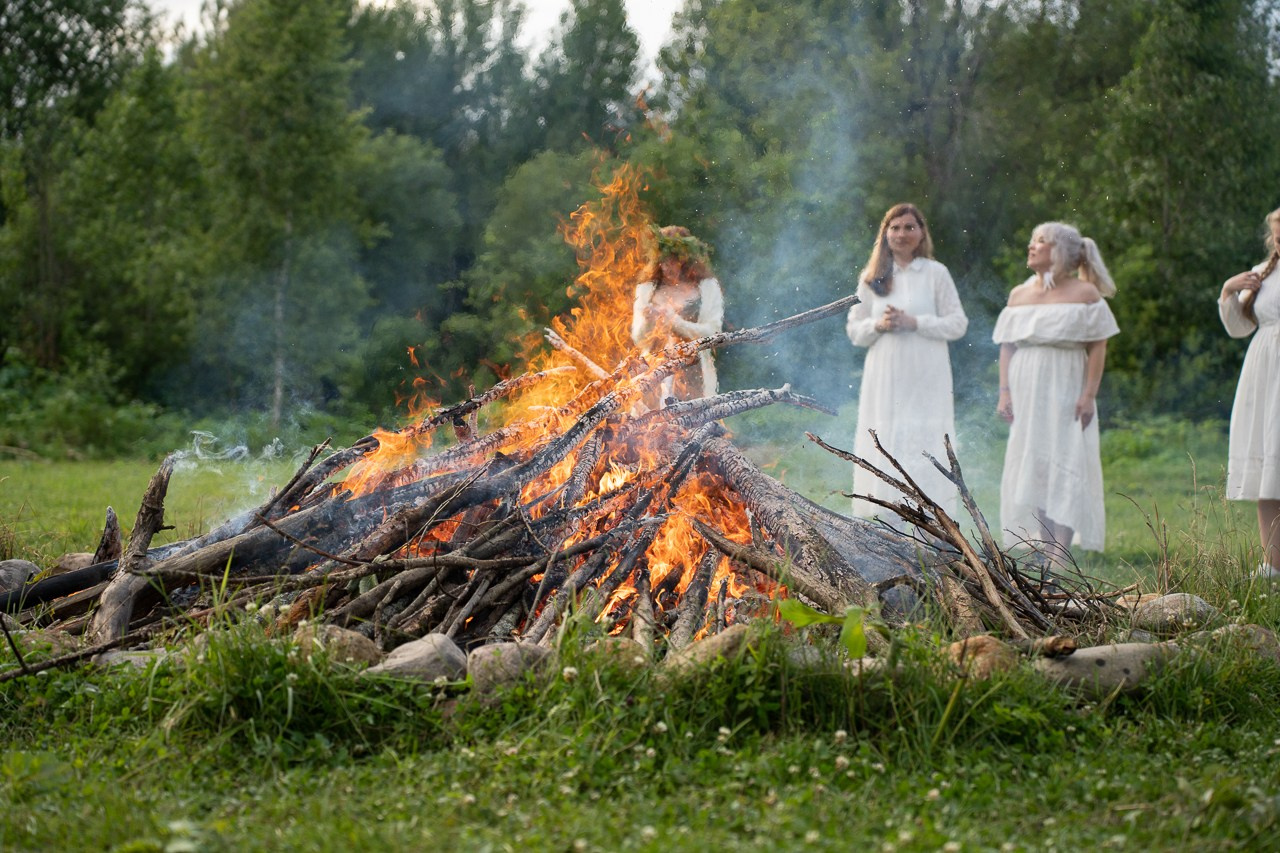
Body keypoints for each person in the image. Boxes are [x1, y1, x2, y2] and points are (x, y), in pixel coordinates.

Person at [993, 222, 1119, 561]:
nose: (1032, 247)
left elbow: (1097, 345)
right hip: (1026, 386)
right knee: (1036, 462)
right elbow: (1008, 346)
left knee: (1065, 457)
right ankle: (1046, 544)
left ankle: (1060, 551)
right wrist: (1005, 393)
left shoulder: (1085, 294)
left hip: (1066, 381)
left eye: (1041, 242)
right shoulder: (1019, 295)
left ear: (1060, 252)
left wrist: (1089, 394)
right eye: (1032, 241)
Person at [846, 203, 968, 519]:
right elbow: (855, 330)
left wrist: (916, 322)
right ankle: (885, 516)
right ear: (885, 233)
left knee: (925, 437)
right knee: (885, 435)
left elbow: (958, 323)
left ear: (921, 233)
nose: (902, 234)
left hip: (927, 372)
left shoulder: (935, 273)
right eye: (895, 227)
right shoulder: (872, 277)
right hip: (885, 375)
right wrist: (879, 325)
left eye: (909, 227)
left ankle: (931, 517)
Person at [1218, 206, 1280, 578]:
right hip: (1267, 367)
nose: (1278, 238)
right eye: (1275, 232)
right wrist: (1230, 290)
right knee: (1269, 463)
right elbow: (1238, 327)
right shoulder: (1262, 272)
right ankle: (1272, 568)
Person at [631, 225, 724, 399]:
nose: (667, 266)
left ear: (686, 259)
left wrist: (676, 323)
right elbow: (639, 339)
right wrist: (650, 321)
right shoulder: (646, 289)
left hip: (695, 380)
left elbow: (714, 333)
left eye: (673, 260)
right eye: (663, 260)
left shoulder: (708, 287)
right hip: (652, 380)